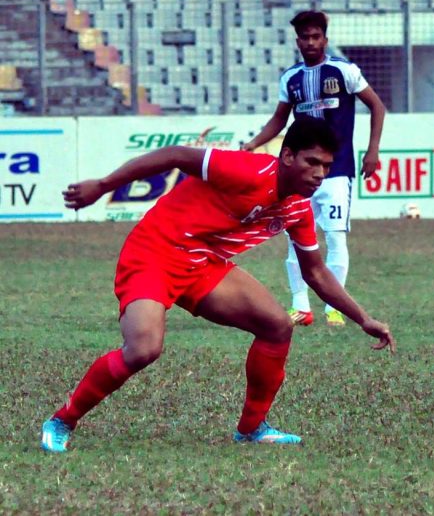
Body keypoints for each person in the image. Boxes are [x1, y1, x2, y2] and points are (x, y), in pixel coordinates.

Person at [40, 117, 395, 453]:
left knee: (276, 326)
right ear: (287, 155)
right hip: (155, 253)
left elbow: (316, 273)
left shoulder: (298, 208)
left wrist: (363, 318)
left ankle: (252, 428)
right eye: (312, 162)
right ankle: (62, 421)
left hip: (203, 264)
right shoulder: (247, 170)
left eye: (327, 167)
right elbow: (175, 155)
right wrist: (102, 186)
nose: (319, 174)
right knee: (143, 349)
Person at [243, 11, 386, 328]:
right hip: (298, 177)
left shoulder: (343, 71)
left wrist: (372, 151)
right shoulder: (290, 78)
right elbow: (279, 120)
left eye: (315, 36)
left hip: (337, 172)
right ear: (298, 41)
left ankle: (334, 307)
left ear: (325, 38)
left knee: (335, 238)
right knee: (297, 239)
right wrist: (252, 145)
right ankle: (301, 307)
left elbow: (377, 105)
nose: (310, 42)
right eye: (305, 37)